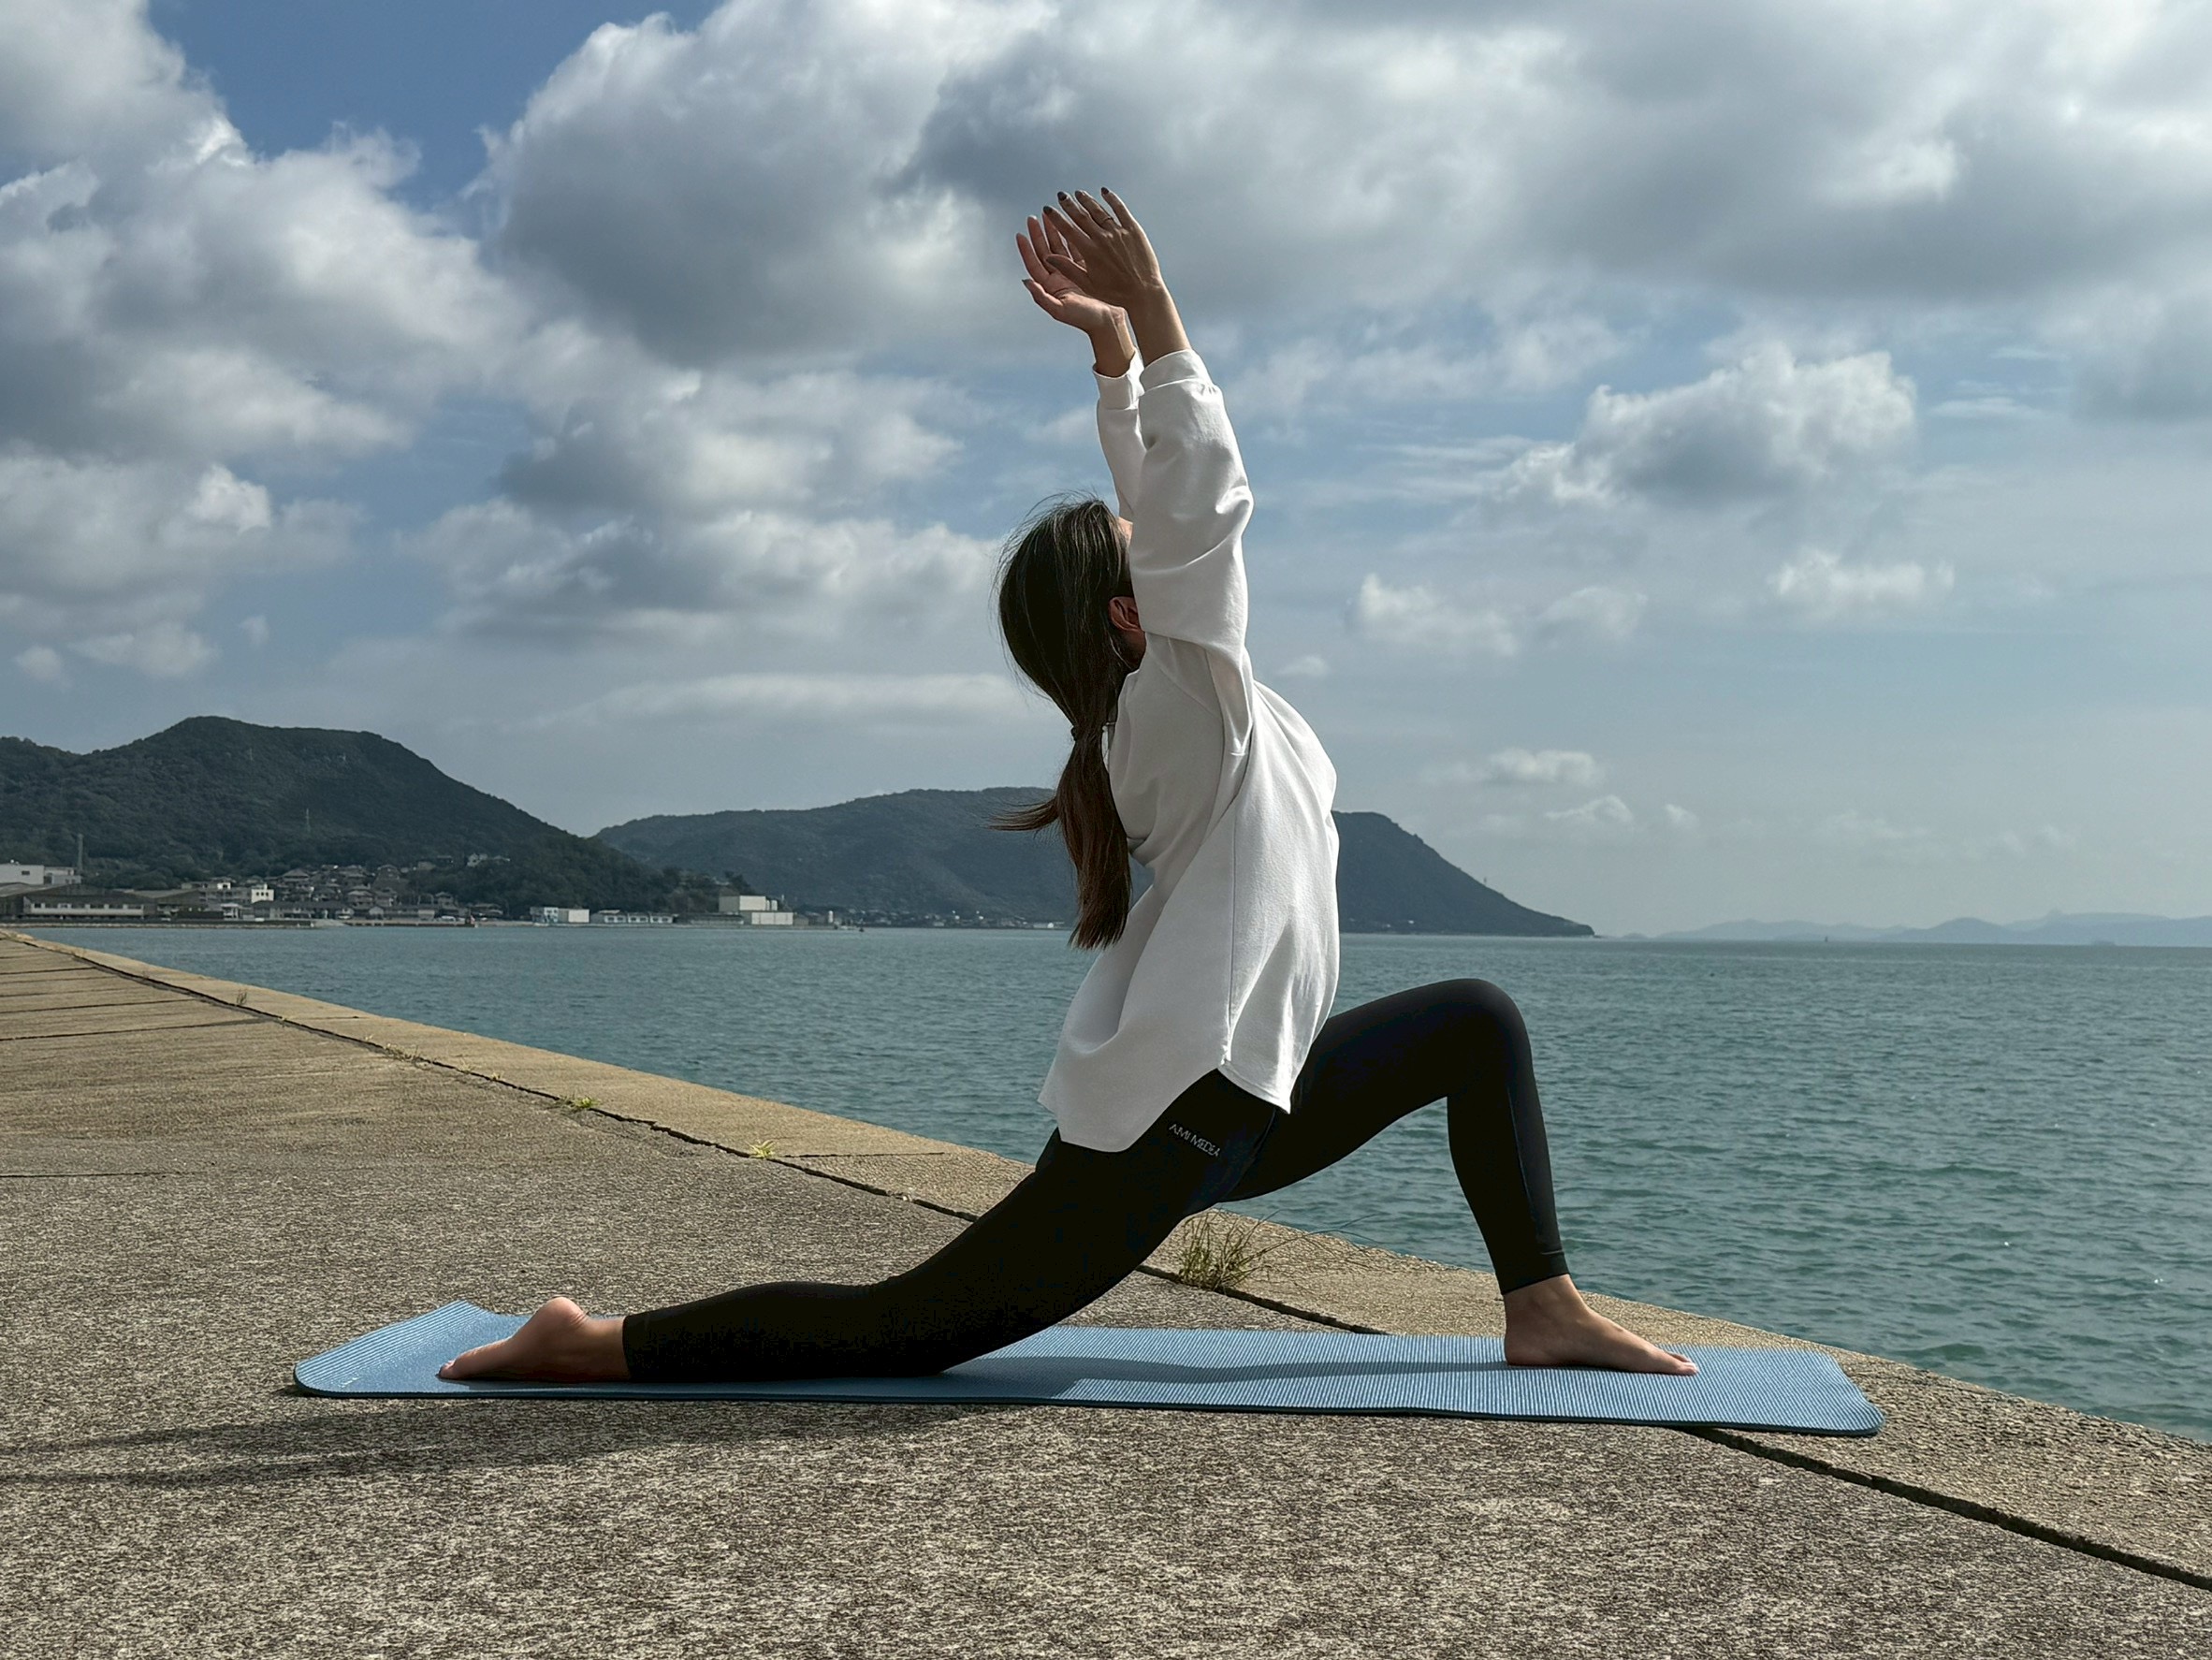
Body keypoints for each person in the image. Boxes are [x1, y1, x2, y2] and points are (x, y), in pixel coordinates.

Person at [444, 190, 1694, 1384]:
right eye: (1141, 549)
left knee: (1476, 1020)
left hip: (1254, 1089)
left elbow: (1169, 511)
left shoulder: (1167, 709)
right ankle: (590, 1339)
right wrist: (1153, 309)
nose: (1158, 529)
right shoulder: (1174, 702)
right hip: (1180, 1116)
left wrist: (1114, 372)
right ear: (1128, 612)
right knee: (906, 1326)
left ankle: (1541, 1304)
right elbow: (1202, 501)